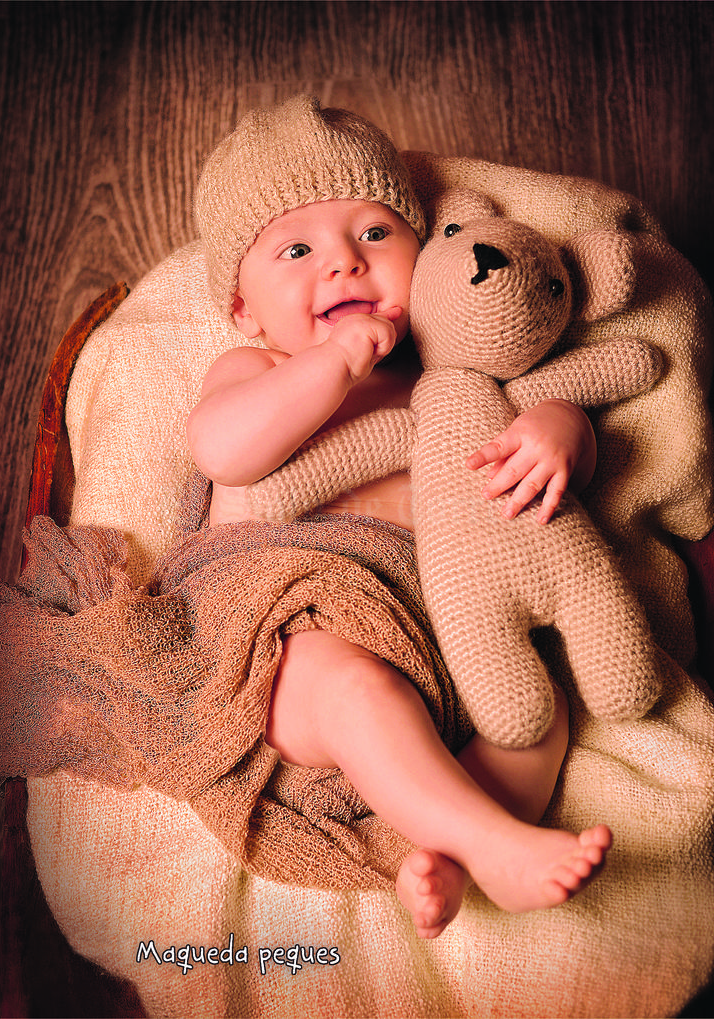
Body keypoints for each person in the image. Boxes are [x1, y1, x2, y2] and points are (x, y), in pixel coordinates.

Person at [187, 94, 611, 939]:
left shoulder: (452, 366)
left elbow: (547, 425)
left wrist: (561, 432)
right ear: (242, 306)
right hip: (293, 629)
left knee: (536, 715)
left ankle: (452, 848)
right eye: (298, 250)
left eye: (376, 234)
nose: (344, 263)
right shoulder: (254, 364)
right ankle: (493, 841)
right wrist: (333, 365)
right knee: (352, 687)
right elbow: (223, 450)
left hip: (449, 619)